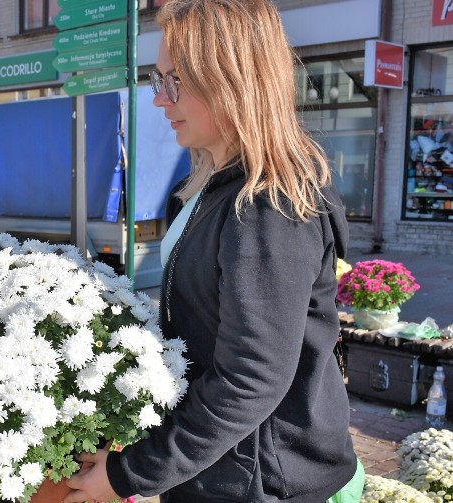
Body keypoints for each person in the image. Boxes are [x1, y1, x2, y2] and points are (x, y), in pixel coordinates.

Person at [63, 1, 361, 502]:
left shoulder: (269, 203)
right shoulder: (214, 184)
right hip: (225, 470)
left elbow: (250, 378)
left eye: (175, 80)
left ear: (230, 79)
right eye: (158, 81)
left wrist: (128, 475)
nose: (160, 101)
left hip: (260, 481)